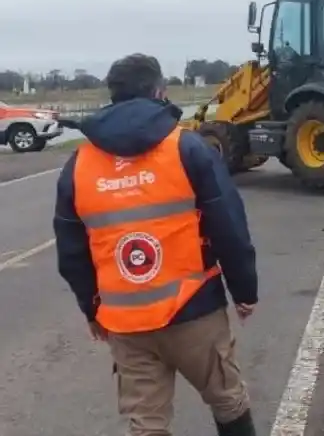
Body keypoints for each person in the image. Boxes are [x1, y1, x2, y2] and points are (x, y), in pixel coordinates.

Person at [53, 53, 259, 436]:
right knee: (228, 400)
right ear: (160, 92)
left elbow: (71, 253)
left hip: (126, 324)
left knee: (146, 424)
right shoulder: (189, 148)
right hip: (194, 310)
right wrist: (245, 290)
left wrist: (93, 309)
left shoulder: (78, 165)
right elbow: (229, 224)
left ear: (113, 96)